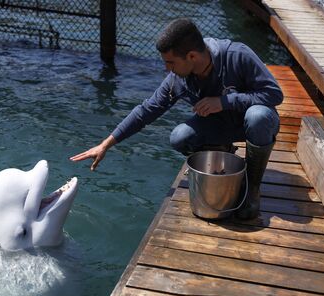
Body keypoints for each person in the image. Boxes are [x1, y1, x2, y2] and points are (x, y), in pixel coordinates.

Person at [70, 18, 283, 220]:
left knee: (259, 116)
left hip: (253, 123)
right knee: (180, 137)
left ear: (192, 56)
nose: (167, 69)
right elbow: (147, 110)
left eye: (170, 62)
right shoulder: (177, 80)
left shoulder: (237, 55)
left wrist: (225, 101)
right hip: (221, 126)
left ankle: (252, 188)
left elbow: (274, 94)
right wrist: (106, 144)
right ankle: (222, 155)